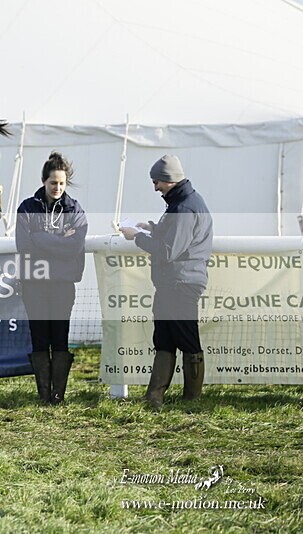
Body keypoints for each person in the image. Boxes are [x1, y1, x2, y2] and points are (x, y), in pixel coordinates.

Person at [121, 155, 213, 409]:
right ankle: (155, 396)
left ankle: (189, 399)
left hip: (180, 283)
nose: (155, 187)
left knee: (186, 340)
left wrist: (136, 237)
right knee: (164, 338)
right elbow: (175, 238)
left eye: (157, 182)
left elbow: (168, 250)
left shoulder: (183, 207)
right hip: (174, 283)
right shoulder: (183, 202)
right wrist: (150, 227)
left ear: (169, 180)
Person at [15, 152, 87, 404]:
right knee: (39, 337)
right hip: (34, 283)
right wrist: (58, 240)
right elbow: (24, 245)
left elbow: (75, 247)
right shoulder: (27, 207)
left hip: (62, 284)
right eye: (53, 182)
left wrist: (41, 239)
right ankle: (43, 393)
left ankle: (58, 393)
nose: (57, 188)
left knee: (60, 336)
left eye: (61, 183)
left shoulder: (74, 209)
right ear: (44, 181)